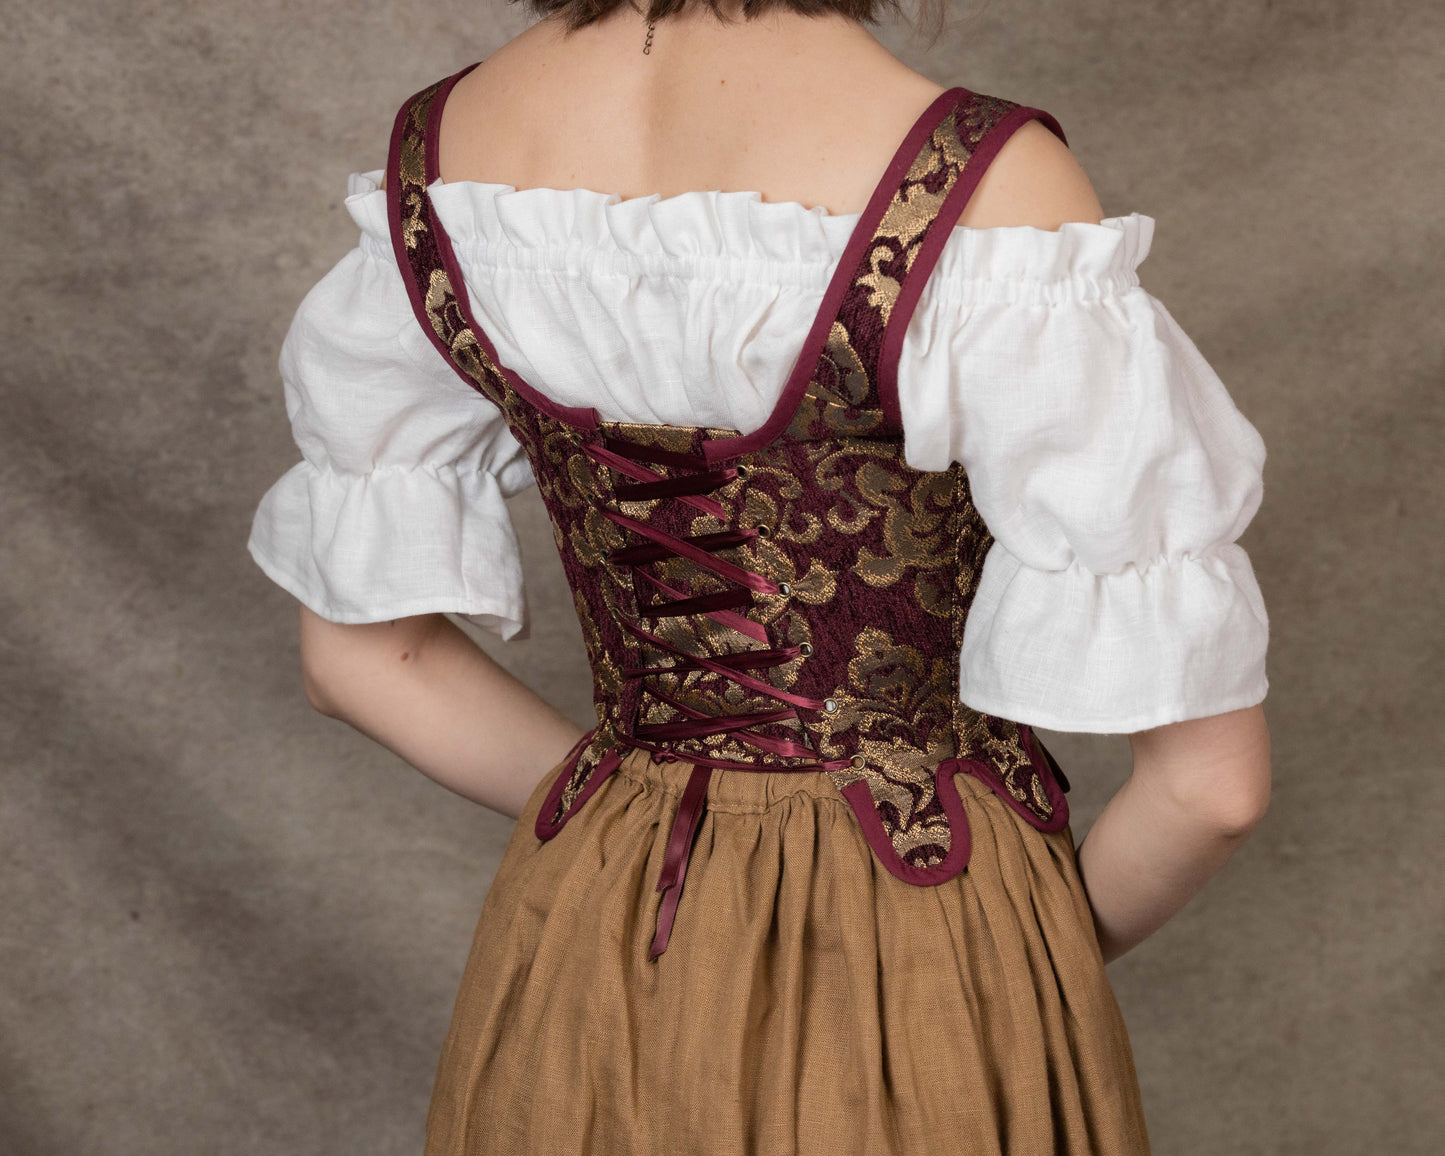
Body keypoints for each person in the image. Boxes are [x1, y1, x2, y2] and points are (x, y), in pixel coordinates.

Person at [248, 1, 1273, 1151]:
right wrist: (1011, 951)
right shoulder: (991, 192)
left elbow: (360, 658)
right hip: (925, 918)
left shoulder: (446, 165)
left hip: (603, 922)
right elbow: (1207, 791)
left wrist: (633, 820)